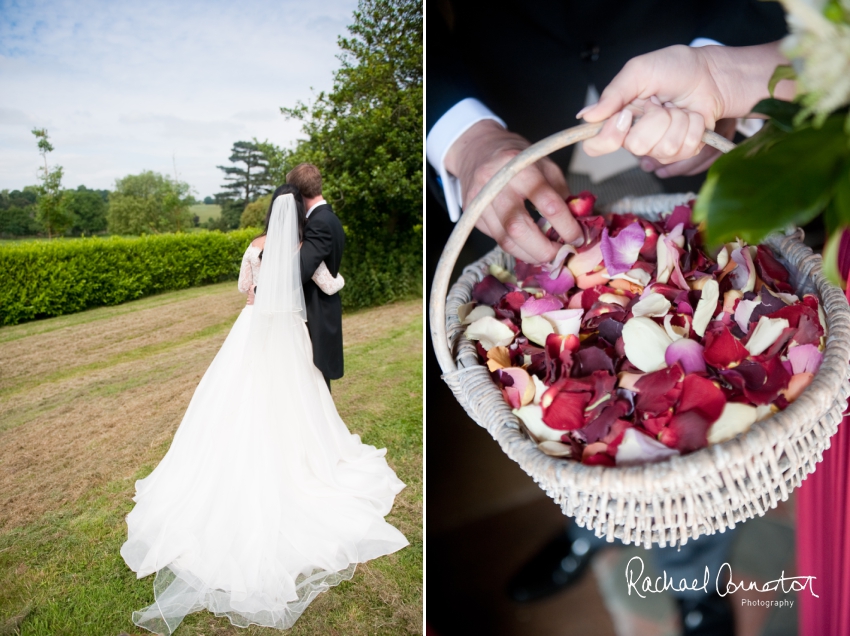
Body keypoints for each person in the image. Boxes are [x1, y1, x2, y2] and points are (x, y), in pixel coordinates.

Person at [425, 4, 788, 635]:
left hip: (692, 105)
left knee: (703, 440)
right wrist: (466, 135)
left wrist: (725, 74)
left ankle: (693, 580)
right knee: (568, 426)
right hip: (517, 125)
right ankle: (588, 530)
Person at [121, 185, 408, 634]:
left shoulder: (255, 248)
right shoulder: (300, 249)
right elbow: (330, 283)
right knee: (297, 396)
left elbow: (242, 288)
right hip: (289, 330)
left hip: (254, 325)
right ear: (295, 216)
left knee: (239, 392)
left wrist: (257, 291)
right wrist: (340, 277)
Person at [287, 163, 346, 391]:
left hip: (316, 310)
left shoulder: (319, 222)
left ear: (298, 194)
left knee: (316, 377)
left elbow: (301, 270)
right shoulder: (327, 218)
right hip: (320, 307)